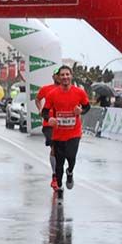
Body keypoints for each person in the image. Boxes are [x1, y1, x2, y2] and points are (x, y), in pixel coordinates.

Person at [43, 65, 90, 198]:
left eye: (67, 74)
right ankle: (59, 186)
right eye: (62, 75)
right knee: (59, 163)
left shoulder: (79, 92)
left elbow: (87, 107)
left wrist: (81, 111)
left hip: (74, 133)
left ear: (71, 76)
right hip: (58, 134)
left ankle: (70, 172)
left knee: (71, 157)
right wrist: (50, 118)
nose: (65, 77)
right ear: (58, 77)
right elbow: (44, 111)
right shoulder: (52, 94)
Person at [35, 71, 61, 187]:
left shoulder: (68, 90)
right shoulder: (46, 89)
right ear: (53, 76)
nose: (59, 77)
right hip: (48, 123)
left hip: (63, 124)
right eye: (57, 74)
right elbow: (37, 99)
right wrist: (40, 109)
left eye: (61, 74)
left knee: (64, 151)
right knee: (54, 147)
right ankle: (55, 175)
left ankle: (64, 170)